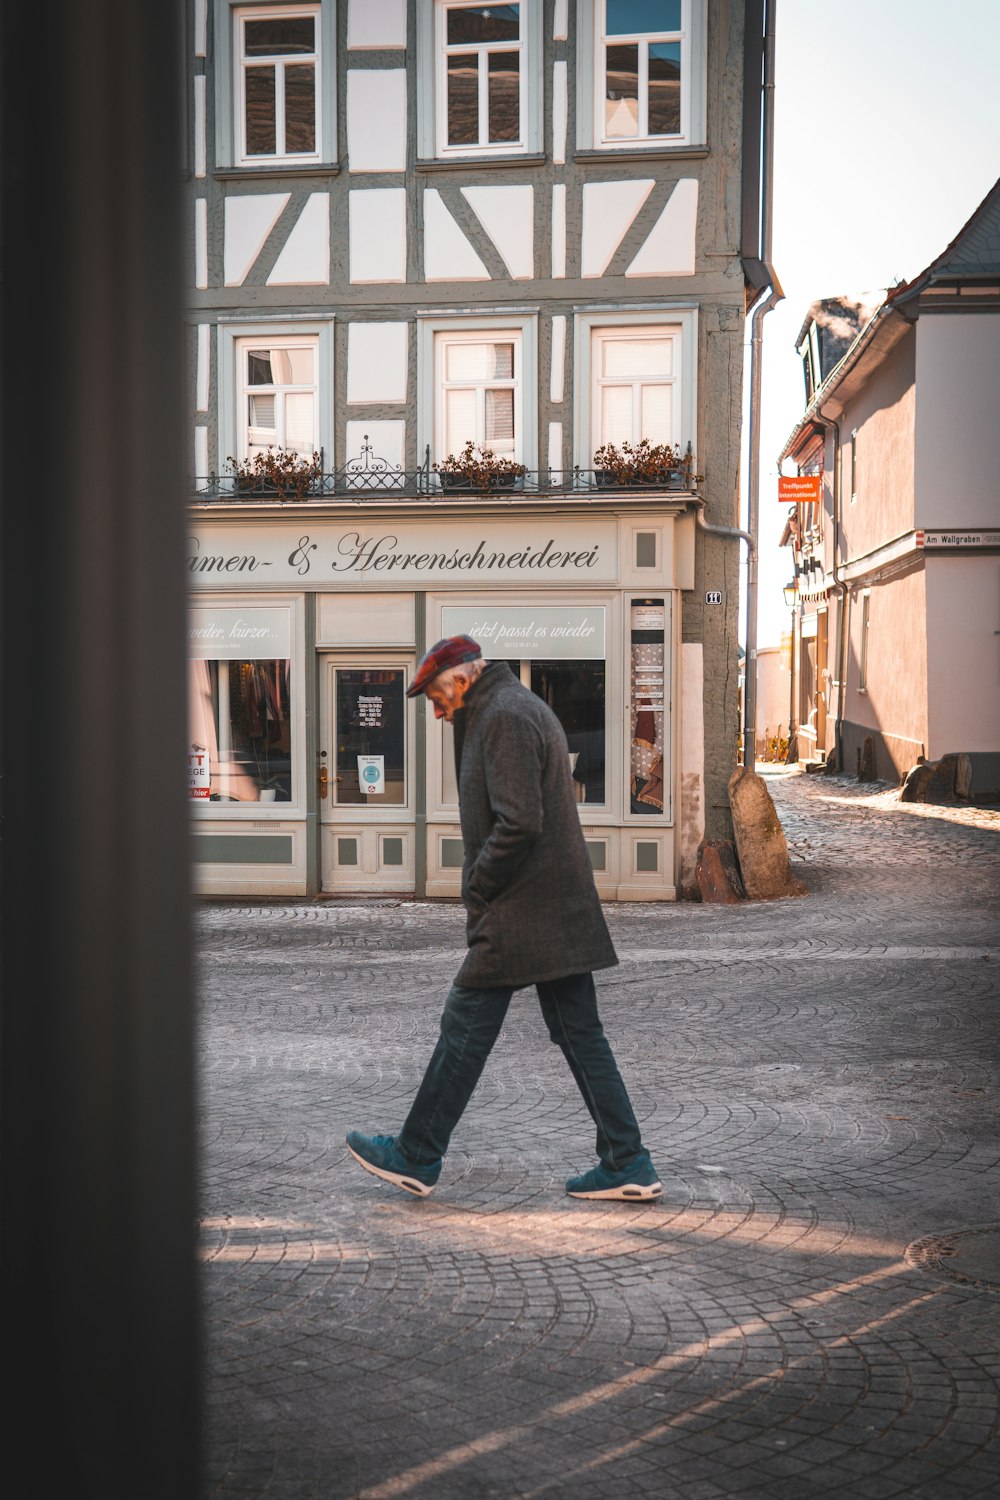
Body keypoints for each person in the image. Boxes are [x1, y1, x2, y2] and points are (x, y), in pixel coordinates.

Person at [346, 635, 661, 1202]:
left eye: (438, 699)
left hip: (524, 911)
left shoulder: (503, 716)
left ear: (463, 679)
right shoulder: (512, 705)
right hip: (551, 907)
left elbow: (519, 823)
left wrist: (478, 883)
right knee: (579, 1034)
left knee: (464, 1026)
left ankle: (417, 1155)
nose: (438, 713)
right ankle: (627, 1160)